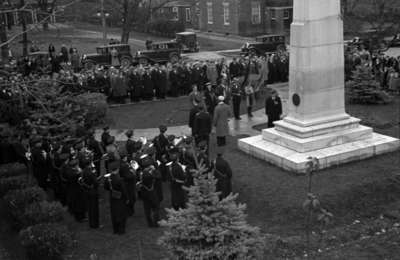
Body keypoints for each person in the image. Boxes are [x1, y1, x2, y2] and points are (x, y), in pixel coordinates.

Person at [104, 161, 129, 235]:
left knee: (114, 213)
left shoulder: (108, 178)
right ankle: (121, 230)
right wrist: (127, 198)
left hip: (112, 197)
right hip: (120, 198)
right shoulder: (119, 179)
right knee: (121, 214)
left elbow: (106, 187)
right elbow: (124, 190)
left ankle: (115, 230)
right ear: (117, 169)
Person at [80, 158, 101, 228]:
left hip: (87, 191)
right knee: (94, 209)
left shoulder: (83, 171)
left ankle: (91, 224)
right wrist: (96, 175)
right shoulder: (91, 172)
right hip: (93, 192)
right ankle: (95, 224)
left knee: (90, 208)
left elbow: (82, 182)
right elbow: (96, 183)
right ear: (89, 164)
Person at [119, 151, 137, 216]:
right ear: (125, 157)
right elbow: (128, 176)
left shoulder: (123, 163)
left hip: (128, 184)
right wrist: (133, 172)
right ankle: (129, 211)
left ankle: (129, 210)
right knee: (131, 198)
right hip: (128, 184)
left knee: (131, 198)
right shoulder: (123, 165)